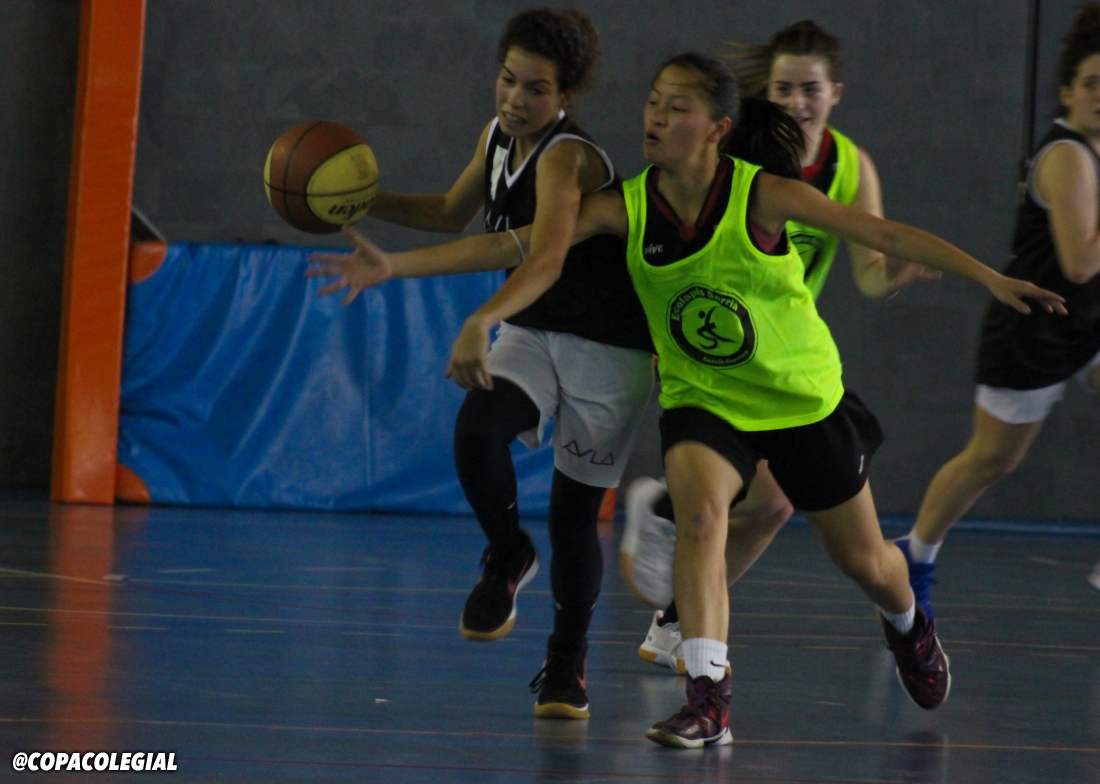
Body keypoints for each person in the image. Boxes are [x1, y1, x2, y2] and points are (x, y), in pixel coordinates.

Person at [312, 52, 1064, 747]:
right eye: (652, 102)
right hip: (703, 399)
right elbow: (517, 246)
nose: (656, 117)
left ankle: (908, 626)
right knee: (701, 520)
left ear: (716, 129)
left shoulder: (763, 194)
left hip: (798, 397)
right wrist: (397, 268)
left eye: (677, 108)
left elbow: (885, 234)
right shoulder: (625, 206)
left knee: (868, 563)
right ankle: (709, 697)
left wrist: (989, 278)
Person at [310, 8, 657, 720]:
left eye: (536, 89)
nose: (515, 99)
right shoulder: (497, 136)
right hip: (533, 328)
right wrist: (360, 202)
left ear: (566, 96)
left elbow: (543, 257)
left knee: (572, 516)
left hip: (608, 345)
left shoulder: (567, 157)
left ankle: (567, 660)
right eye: (508, 79)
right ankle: (506, 553)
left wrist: (478, 318)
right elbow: (450, 211)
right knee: (476, 431)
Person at [621, 20, 941, 673]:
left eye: (810, 88)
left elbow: (868, 272)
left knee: (775, 507)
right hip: (717, 359)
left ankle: (677, 615)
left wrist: (894, 276)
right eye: (784, 87)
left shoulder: (850, 168)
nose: (798, 100)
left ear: (835, 93)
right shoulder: (742, 156)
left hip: (785, 366)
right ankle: (670, 541)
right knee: (726, 505)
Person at [899, 3, 1100, 612]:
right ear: (1067, 92)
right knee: (991, 461)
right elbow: (1081, 263)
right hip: (1033, 332)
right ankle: (914, 555)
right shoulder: (1067, 156)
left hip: (1087, 328)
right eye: (1092, 83)